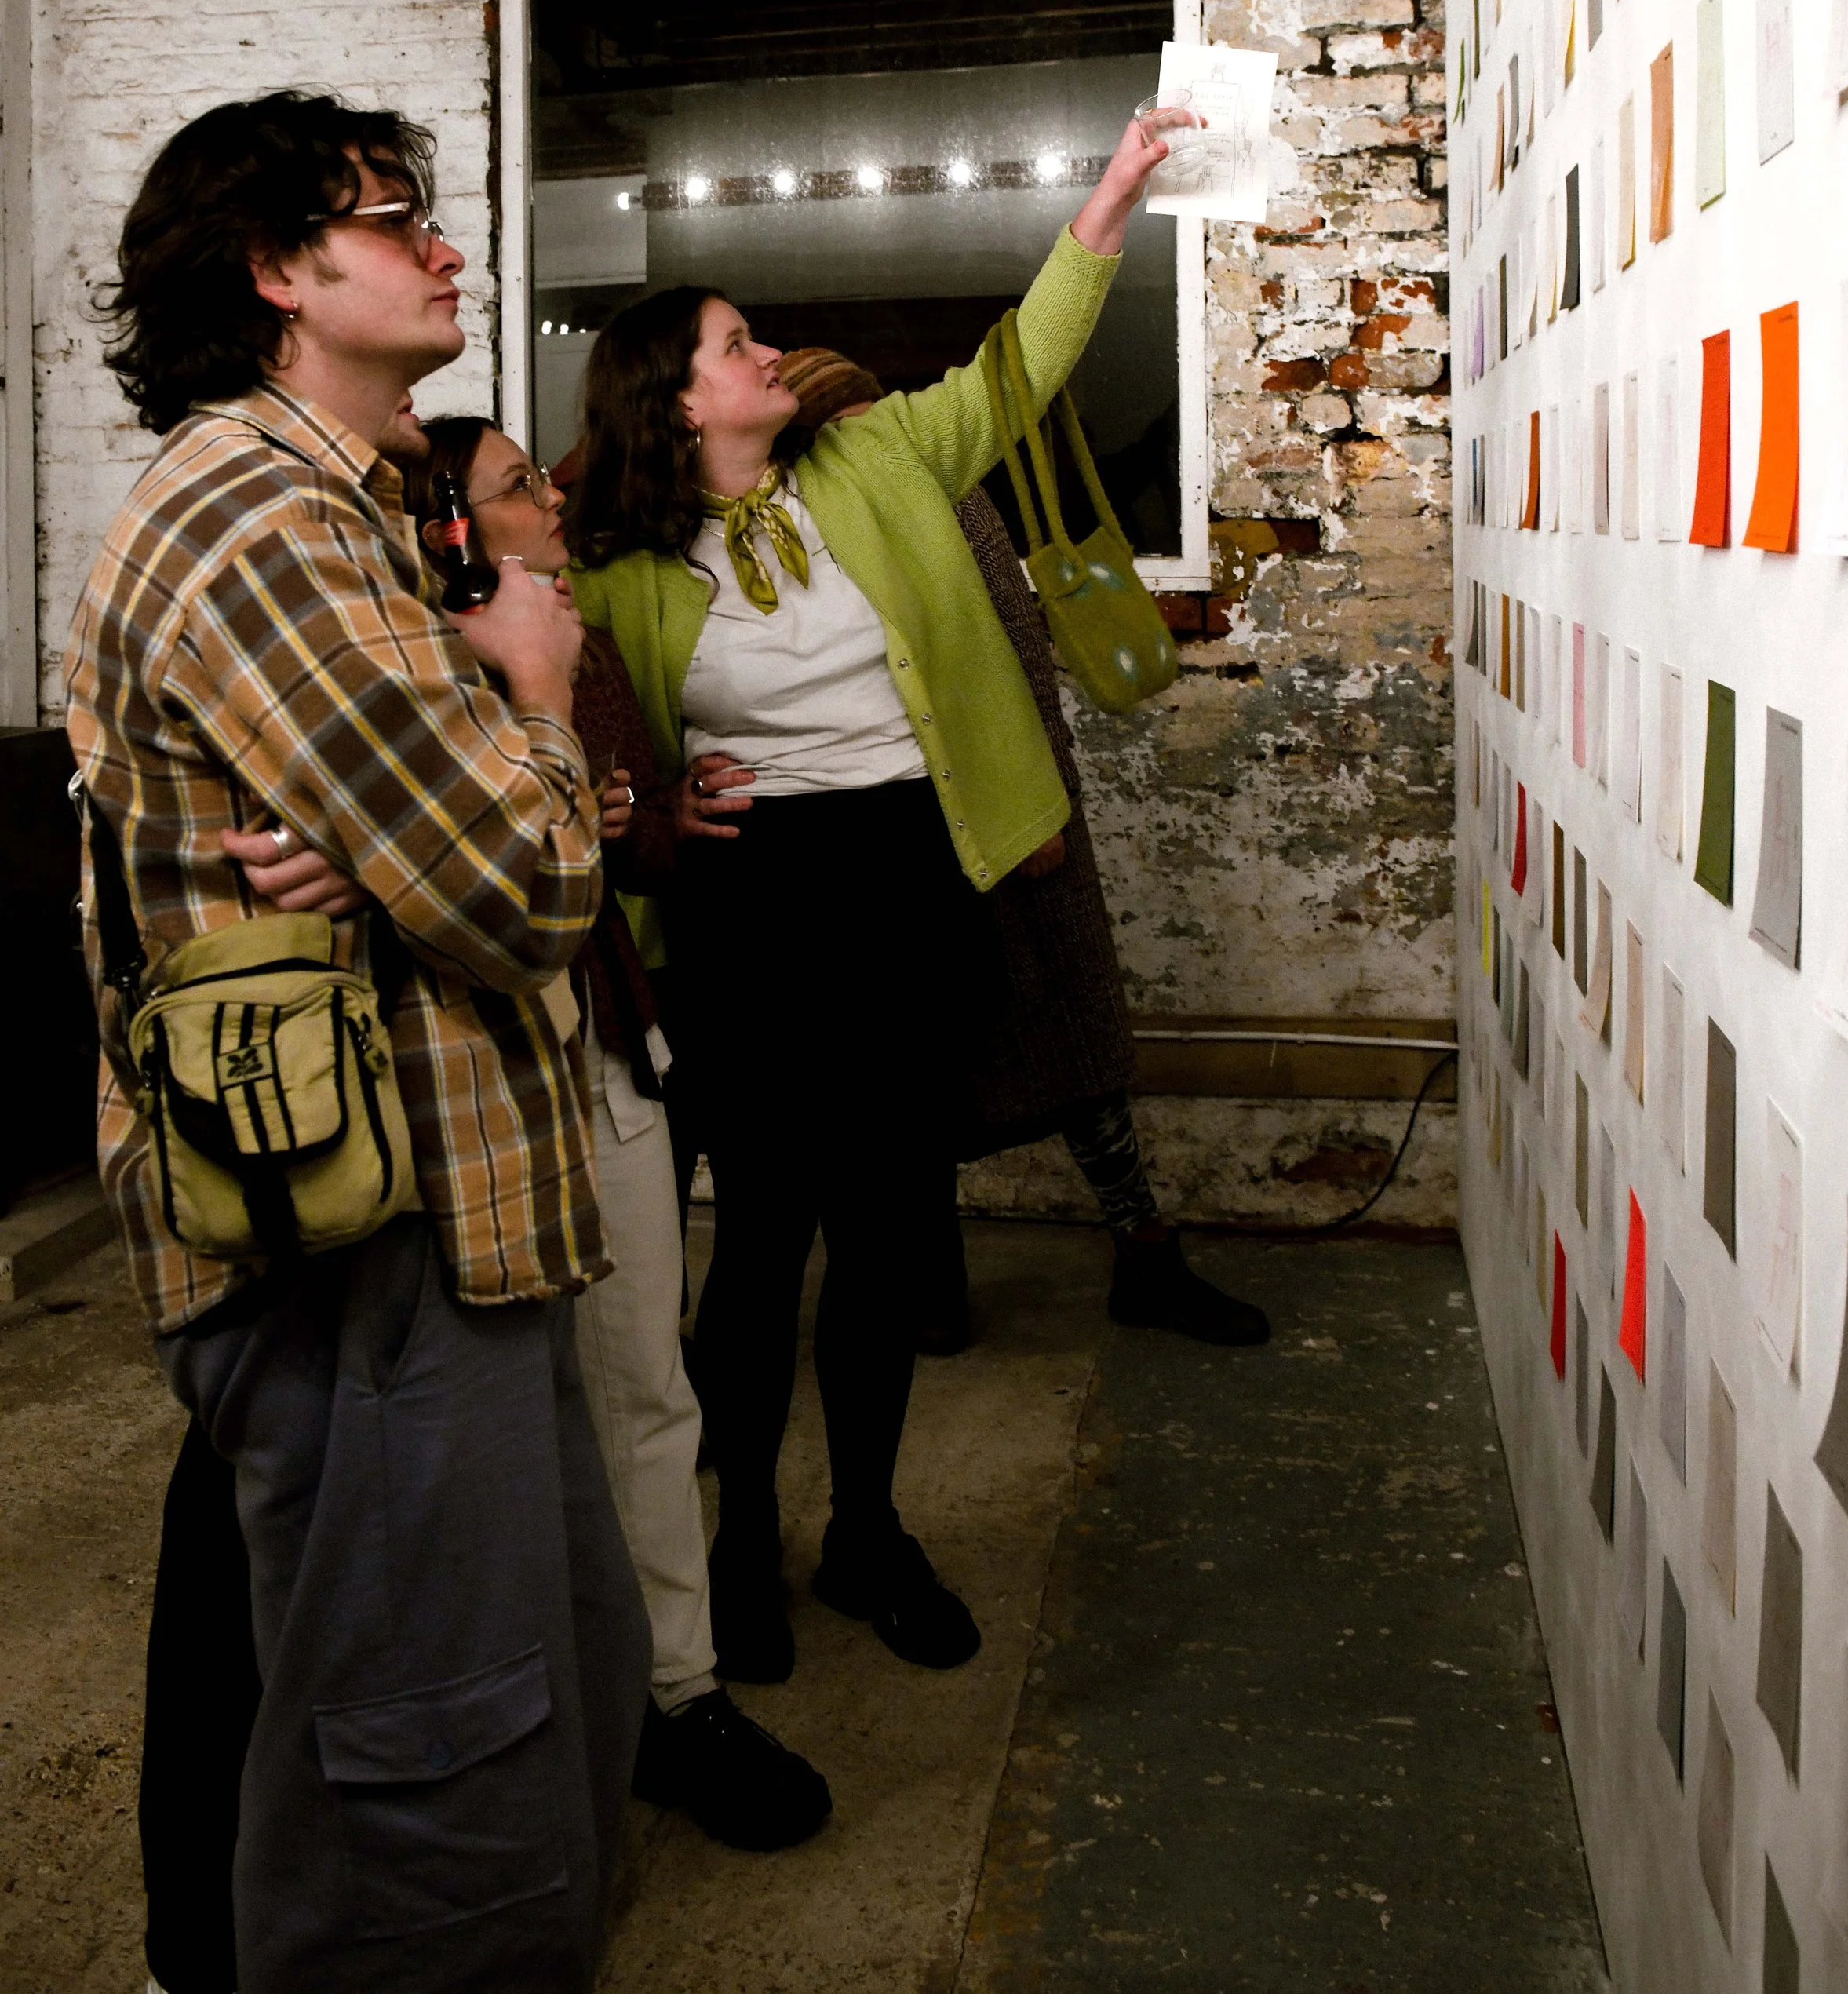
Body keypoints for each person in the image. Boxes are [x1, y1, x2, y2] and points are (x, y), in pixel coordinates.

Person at [68, 91, 648, 1994]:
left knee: (514, 1714)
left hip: (428, 1223)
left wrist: (420, 829)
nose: (446, 244)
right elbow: (522, 883)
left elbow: (441, 849)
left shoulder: (338, 503)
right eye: (399, 216)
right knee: (425, 1797)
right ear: (272, 269)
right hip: (362, 1246)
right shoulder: (260, 512)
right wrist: (538, 696)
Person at [566, 111, 1181, 1690]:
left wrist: (1108, 197)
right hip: (753, 911)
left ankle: (867, 1533)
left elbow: (1019, 365)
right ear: (674, 397)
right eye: (733, 342)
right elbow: (587, 733)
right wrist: (655, 805)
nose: (765, 351)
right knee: (761, 1241)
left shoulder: (881, 455)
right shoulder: (618, 564)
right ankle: (739, 1547)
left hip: (908, 878)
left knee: (892, 1229)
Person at [399, 415, 832, 1851]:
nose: (554, 511)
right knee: (496, 1426)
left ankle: (681, 1696)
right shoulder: (399, 665)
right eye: (519, 490)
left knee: (649, 1387)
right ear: (447, 534)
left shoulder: (573, 644)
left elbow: (627, 845)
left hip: (603, 1048)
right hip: (460, 1081)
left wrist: (664, 811)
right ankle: (527, 1716)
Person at [771, 348, 1269, 1353]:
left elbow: (1010, 662)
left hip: (1003, 815)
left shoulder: (939, 499)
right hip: (906, 827)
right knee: (932, 1066)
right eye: (857, 417)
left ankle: (1134, 1254)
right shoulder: (823, 520)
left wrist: (1039, 813)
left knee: (1069, 1048)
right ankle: (945, 1280)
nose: (882, 430)